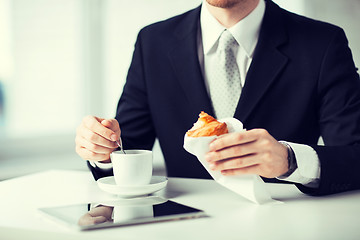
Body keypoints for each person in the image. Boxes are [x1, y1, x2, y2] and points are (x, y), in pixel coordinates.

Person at [75, 0, 360, 196]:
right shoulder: (153, 42)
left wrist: (290, 160)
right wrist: (102, 151)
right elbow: (127, 149)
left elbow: (355, 156)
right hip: (184, 226)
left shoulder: (323, 42)